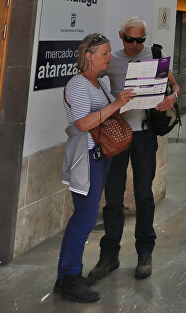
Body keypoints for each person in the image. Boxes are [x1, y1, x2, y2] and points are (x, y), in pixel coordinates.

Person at [88, 18, 179, 285]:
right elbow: (89, 78)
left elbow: (175, 86)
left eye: (140, 40)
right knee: (113, 196)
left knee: (143, 195)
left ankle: (144, 253)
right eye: (130, 40)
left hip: (144, 136)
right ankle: (109, 256)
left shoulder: (156, 55)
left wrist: (171, 98)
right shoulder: (112, 60)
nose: (135, 45)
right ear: (121, 36)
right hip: (116, 136)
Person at [56, 33, 135, 303]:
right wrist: (115, 104)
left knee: (85, 217)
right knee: (85, 218)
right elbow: (81, 124)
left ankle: (67, 276)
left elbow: (109, 113)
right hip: (86, 157)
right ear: (88, 56)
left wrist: (127, 101)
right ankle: (69, 278)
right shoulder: (78, 84)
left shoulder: (99, 84)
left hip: (100, 156)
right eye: (104, 53)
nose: (109, 57)